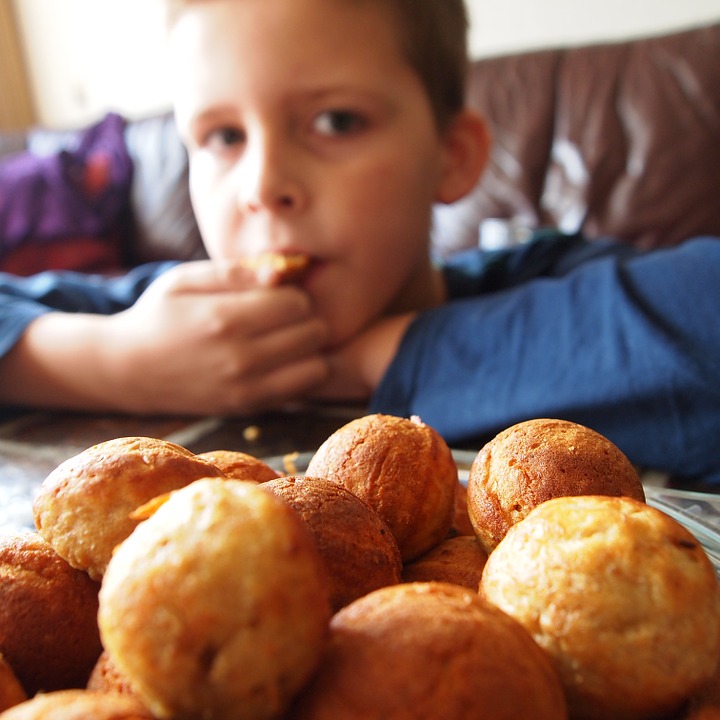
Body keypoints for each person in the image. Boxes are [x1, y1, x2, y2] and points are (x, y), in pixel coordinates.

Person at [0, 0, 719, 486]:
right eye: (222, 136)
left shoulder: (546, 280)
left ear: (452, 155)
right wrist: (114, 360)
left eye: (335, 121)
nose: (263, 184)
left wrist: (357, 356)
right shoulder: (181, 314)